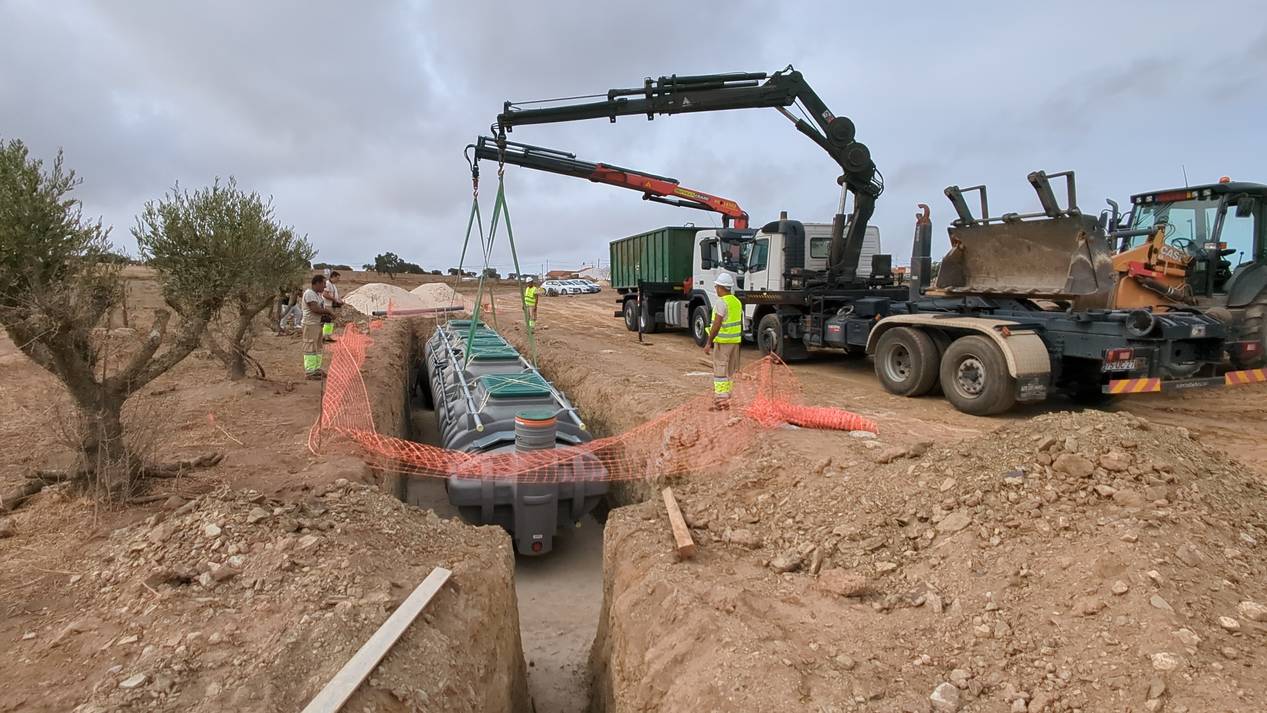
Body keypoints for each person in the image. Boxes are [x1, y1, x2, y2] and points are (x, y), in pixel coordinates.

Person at [702, 272, 742, 409]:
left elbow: (717, 324)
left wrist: (709, 342)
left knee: (720, 371)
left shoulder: (721, 302)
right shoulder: (736, 302)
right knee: (730, 371)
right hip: (735, 342)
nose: (715, 289)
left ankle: (721, 401)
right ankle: (728, 397)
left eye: (716, 287)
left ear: (721, 287)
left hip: (723, 343)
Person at [302, 274, 335, 379]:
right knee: (310, 347)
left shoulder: (317, 295)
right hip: (310, 324)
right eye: (323, 284)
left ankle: (316, 368)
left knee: (318, 347)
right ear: (317, 283)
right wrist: (328, 312)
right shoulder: (309, 294)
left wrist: (325, 316)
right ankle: (310, 371)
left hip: (317, 324)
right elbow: (315, 309)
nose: (325, 286)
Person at [322, 271, 343, 342]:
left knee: (330, 321)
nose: (338, 280)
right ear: (333, 276)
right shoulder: (327, 284)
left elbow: (334, 295)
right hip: (328, 305)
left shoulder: (333, 285)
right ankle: (324, 337)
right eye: (337, 278)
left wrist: (339, 300)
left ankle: (327, 336)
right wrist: (335, 300)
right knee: (327, 320)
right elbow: (325, 294)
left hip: (332, 305)